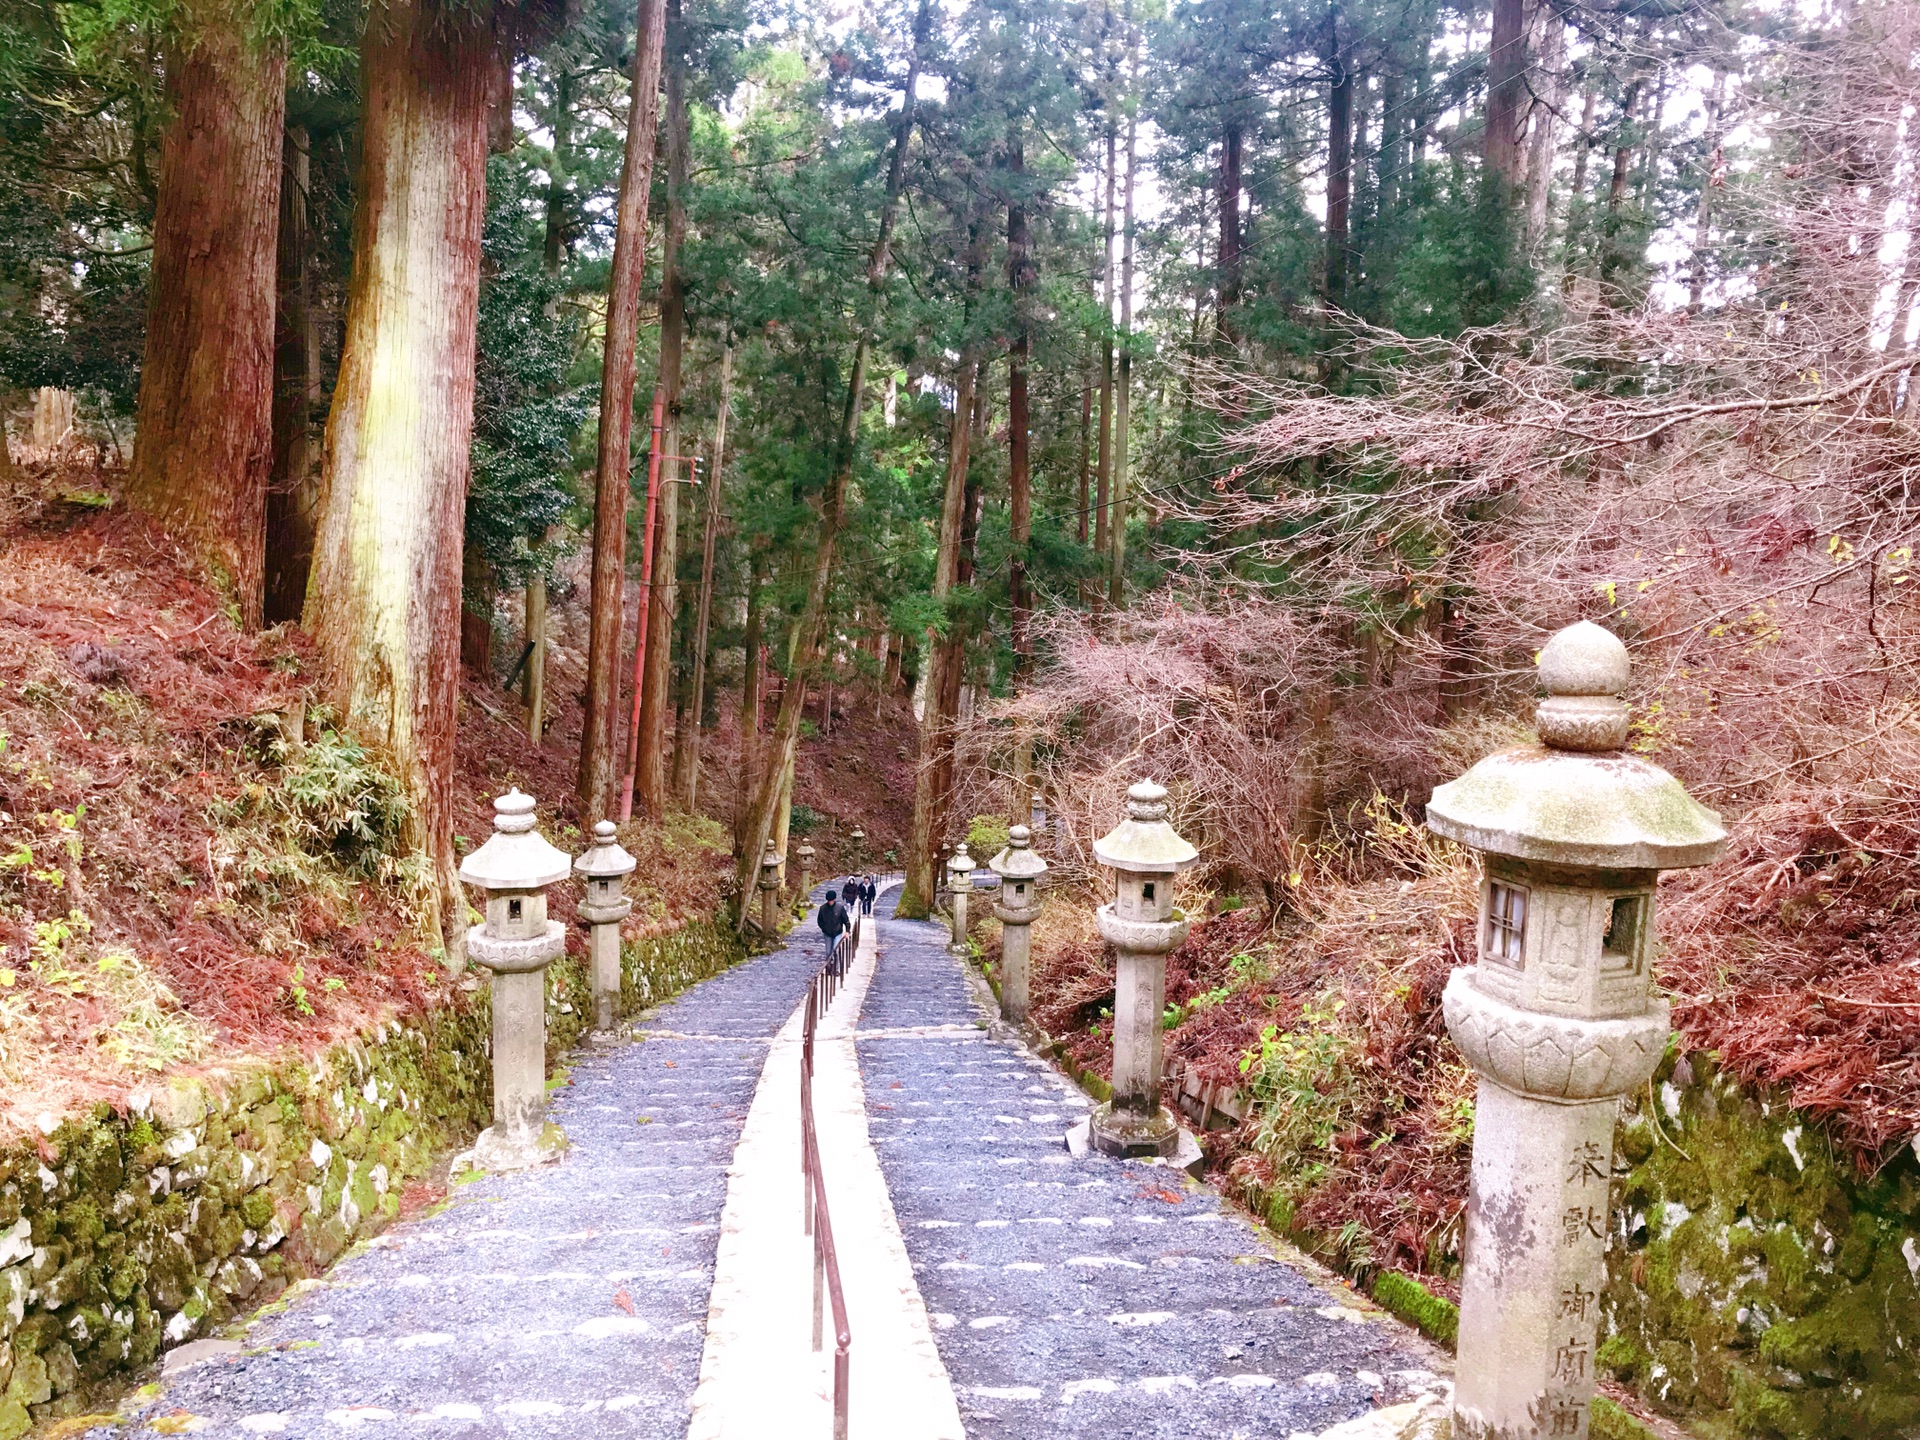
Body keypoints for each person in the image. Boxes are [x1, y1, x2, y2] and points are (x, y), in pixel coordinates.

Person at [817, 887, 850, 970]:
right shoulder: (823, 908)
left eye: (831, 900)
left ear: (834, 899)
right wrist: (824, 928)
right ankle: (828, 967)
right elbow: (819, 920)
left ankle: (837, 969)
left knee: (836, 950)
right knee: (828, 952)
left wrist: (847, 931)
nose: (830, 902)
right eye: (829, 900)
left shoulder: (840, 908)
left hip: (837, 932)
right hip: (827, 933)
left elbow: (846, 920)